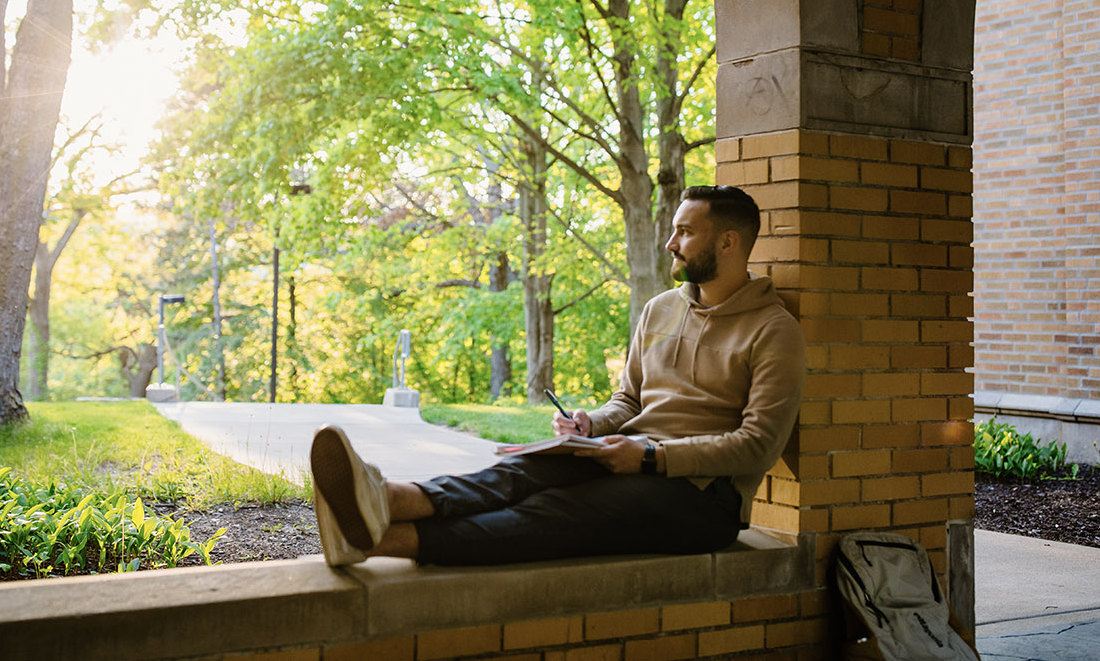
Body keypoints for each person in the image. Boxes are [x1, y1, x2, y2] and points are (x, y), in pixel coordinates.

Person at [309, 184, 805, 567]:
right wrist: (593, 425)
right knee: (522, 471)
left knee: (562, 509)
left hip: (705, 500)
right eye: (674, 230)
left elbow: (759, 444)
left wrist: (652, 457)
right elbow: (629, 400)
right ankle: (386, 497)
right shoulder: (660, 310)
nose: (671, 243)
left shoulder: (773, 330)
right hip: (629, 456)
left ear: (729, 241)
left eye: (685, 232)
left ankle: (380, 541)